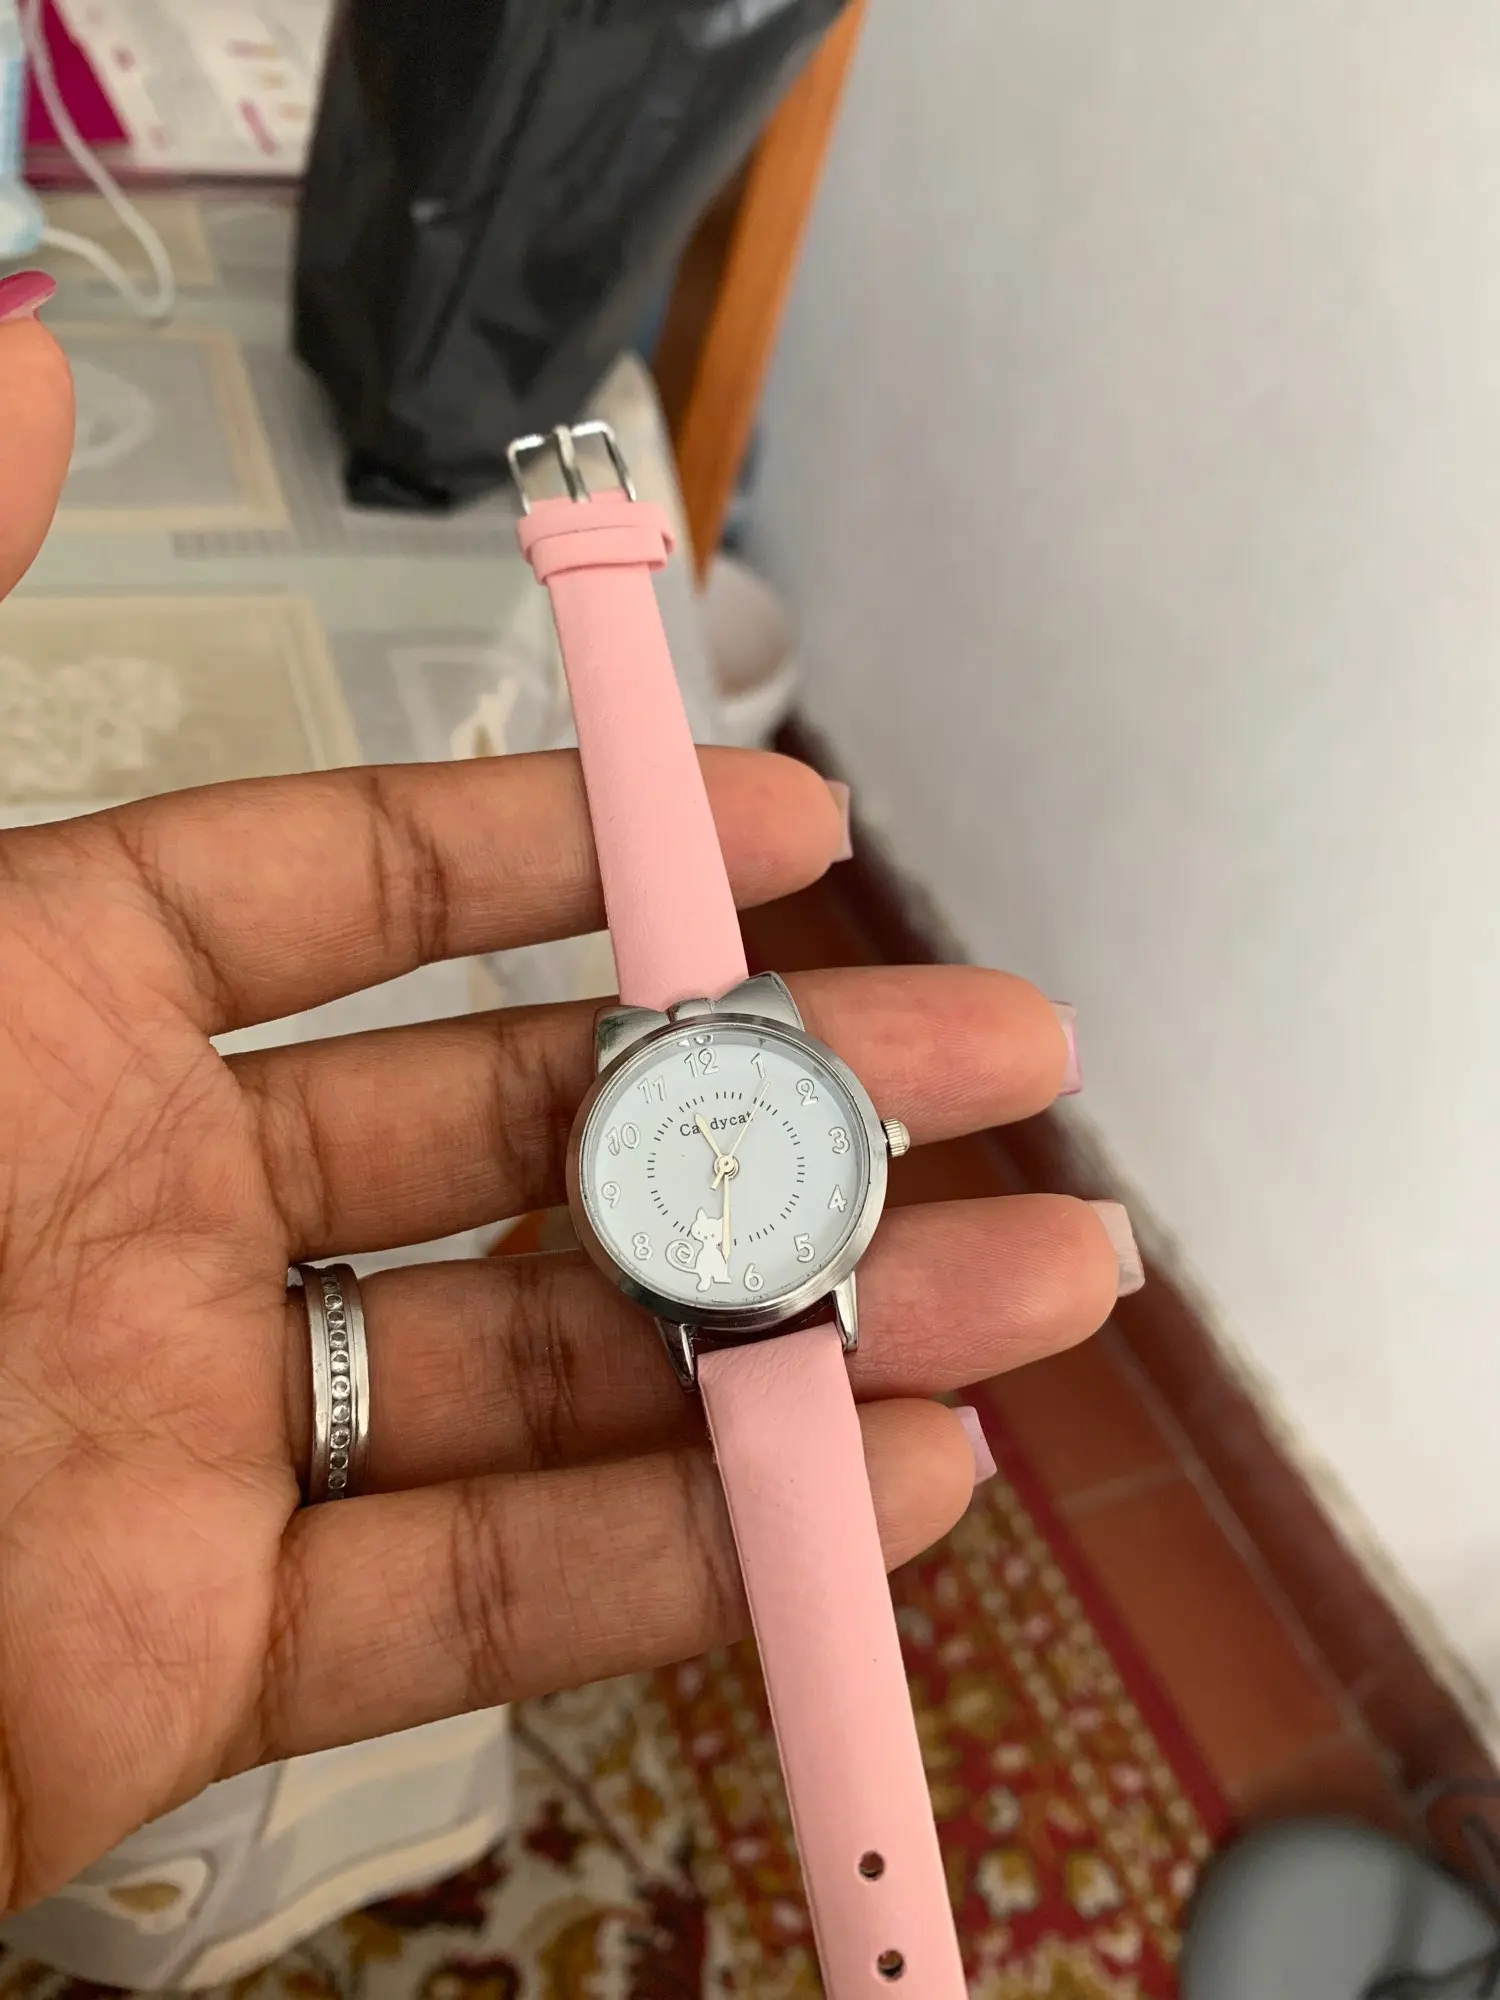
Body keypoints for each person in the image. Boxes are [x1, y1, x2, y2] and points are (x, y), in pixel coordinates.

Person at [0, 293, 1129, 1922]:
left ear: (858, 1141)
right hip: (734, 1280)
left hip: (756, 1275)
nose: (727, 1152)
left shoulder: (740, 1148)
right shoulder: (717, 1154)